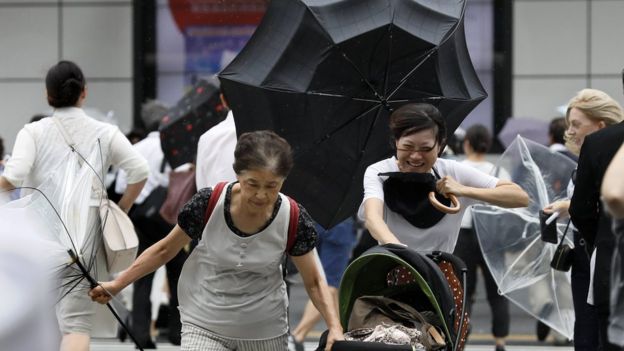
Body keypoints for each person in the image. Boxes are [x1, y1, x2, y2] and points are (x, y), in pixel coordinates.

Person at [90, 130, 344, 351]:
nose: (260, 194)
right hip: (204, 321)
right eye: (252, 183)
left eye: (272, 186)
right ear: (238, 174)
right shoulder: (208, 203)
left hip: (264, 329)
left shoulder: (293, 217)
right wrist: (118, 284)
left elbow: (313, 281)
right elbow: (165, 250)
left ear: (284, 181)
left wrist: (334, 327)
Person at [0, 60, 149, 351]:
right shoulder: (105, 133)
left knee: (42, 322)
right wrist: (122, 208)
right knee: (76, 326)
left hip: (39, 236)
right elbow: (139, 171)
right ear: (84, 92)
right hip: (86, 238)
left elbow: (14, 177)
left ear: (48, 95)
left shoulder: (34, 132)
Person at [359, 103, 528, 253]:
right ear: (396, 142)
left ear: (440, 145)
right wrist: (403, 254)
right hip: (393, 265)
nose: (416, 156)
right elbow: (373, 219)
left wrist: (463, 190)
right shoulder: (378, 171)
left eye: (425, 148)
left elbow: (520, 197)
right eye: (408, 147)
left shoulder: (453, 172)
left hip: (440, 274)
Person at [542, 89, 623, 351]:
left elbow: (589, 208)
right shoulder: (586, 157)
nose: (571, 131)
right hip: (588, 252)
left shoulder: (603, 152)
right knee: (588, 330)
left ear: (600, 125)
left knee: (595, 334)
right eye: (569, 125)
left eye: (576, 124)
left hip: (599, 251)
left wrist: (591, 234)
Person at [115, 100, 187, 348]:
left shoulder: (138, 148)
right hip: (173, 218)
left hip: (143, 218)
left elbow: (122, 184)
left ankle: (141, 334)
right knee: (178, 274)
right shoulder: (177, 147)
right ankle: (178, 332)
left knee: (142, 274)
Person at [568, 90, 624, 351]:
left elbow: (581, 210)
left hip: (608, 263)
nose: (570, 131)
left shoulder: (600, 143)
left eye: (575, 124)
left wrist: (603, 239)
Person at [452, 124, 510, 351]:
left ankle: (461, 337)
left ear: (466, 143)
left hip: (463, 234)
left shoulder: (458, 169)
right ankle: (500, 341)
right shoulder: (498, 171)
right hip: (492, 235)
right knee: (497, 290)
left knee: (464, 290)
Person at [290, 218, 357, 350]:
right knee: (329, 285)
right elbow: (328, 288)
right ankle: (299, 334)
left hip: (316, 222)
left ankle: (340, 339)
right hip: (339, 225)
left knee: (327, 283)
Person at [195, 93, 237, 189]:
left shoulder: (206, 138)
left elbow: (202, 189)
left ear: (223, 99)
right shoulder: (270, 135)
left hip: (217, 202)